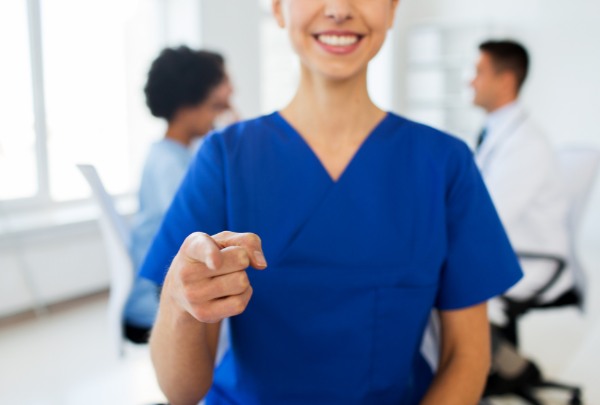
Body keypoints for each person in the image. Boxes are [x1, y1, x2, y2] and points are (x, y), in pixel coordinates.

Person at [140, 2, 522, 404]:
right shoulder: (224, 159)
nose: (339, 9)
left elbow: (466, 355)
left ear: (392, 9)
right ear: (278, 8)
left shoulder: (445, 164)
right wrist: (177, 301)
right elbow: (181, 392)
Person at [123, 46, 233, 343]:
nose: (215, 117)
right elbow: (197, 232)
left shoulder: (167, 154)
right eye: (211, 107)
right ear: (186, 110)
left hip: (154, 291)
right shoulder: (172, 165)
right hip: (153, 304)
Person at [470, 41, 573, 332]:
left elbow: (488, 218)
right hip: (509, 249)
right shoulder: (499, 131)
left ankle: (498, 357)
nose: (470, 81)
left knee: (439, 286)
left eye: (479, 72)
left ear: (505, 81)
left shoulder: (525, 143)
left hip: (531, 259)